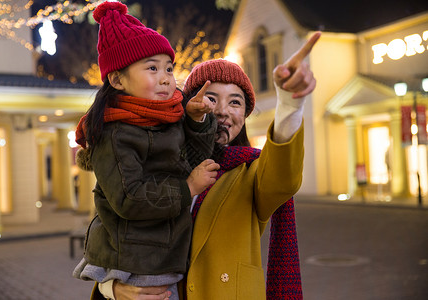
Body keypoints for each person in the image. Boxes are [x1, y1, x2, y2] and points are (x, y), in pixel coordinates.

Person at [103, 32, 321, 300]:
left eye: (235, 102)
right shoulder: (151, 163)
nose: (221, 111)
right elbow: (109, 234)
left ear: (244, 114)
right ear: (188, 105)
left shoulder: (251, 174)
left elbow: (283, 178)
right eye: (210, 98)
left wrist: (289, 103)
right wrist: (111, 289)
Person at [72, 2, 220, 300]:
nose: (166, 77)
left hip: (164, 254)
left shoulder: (167, 116)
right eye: (152, 68)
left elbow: (194, 160)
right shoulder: (113, 132)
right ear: (117, 79)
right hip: (135, 261)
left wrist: (195, 120)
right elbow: (129, 197)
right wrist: (188, 187)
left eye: (169, 68)